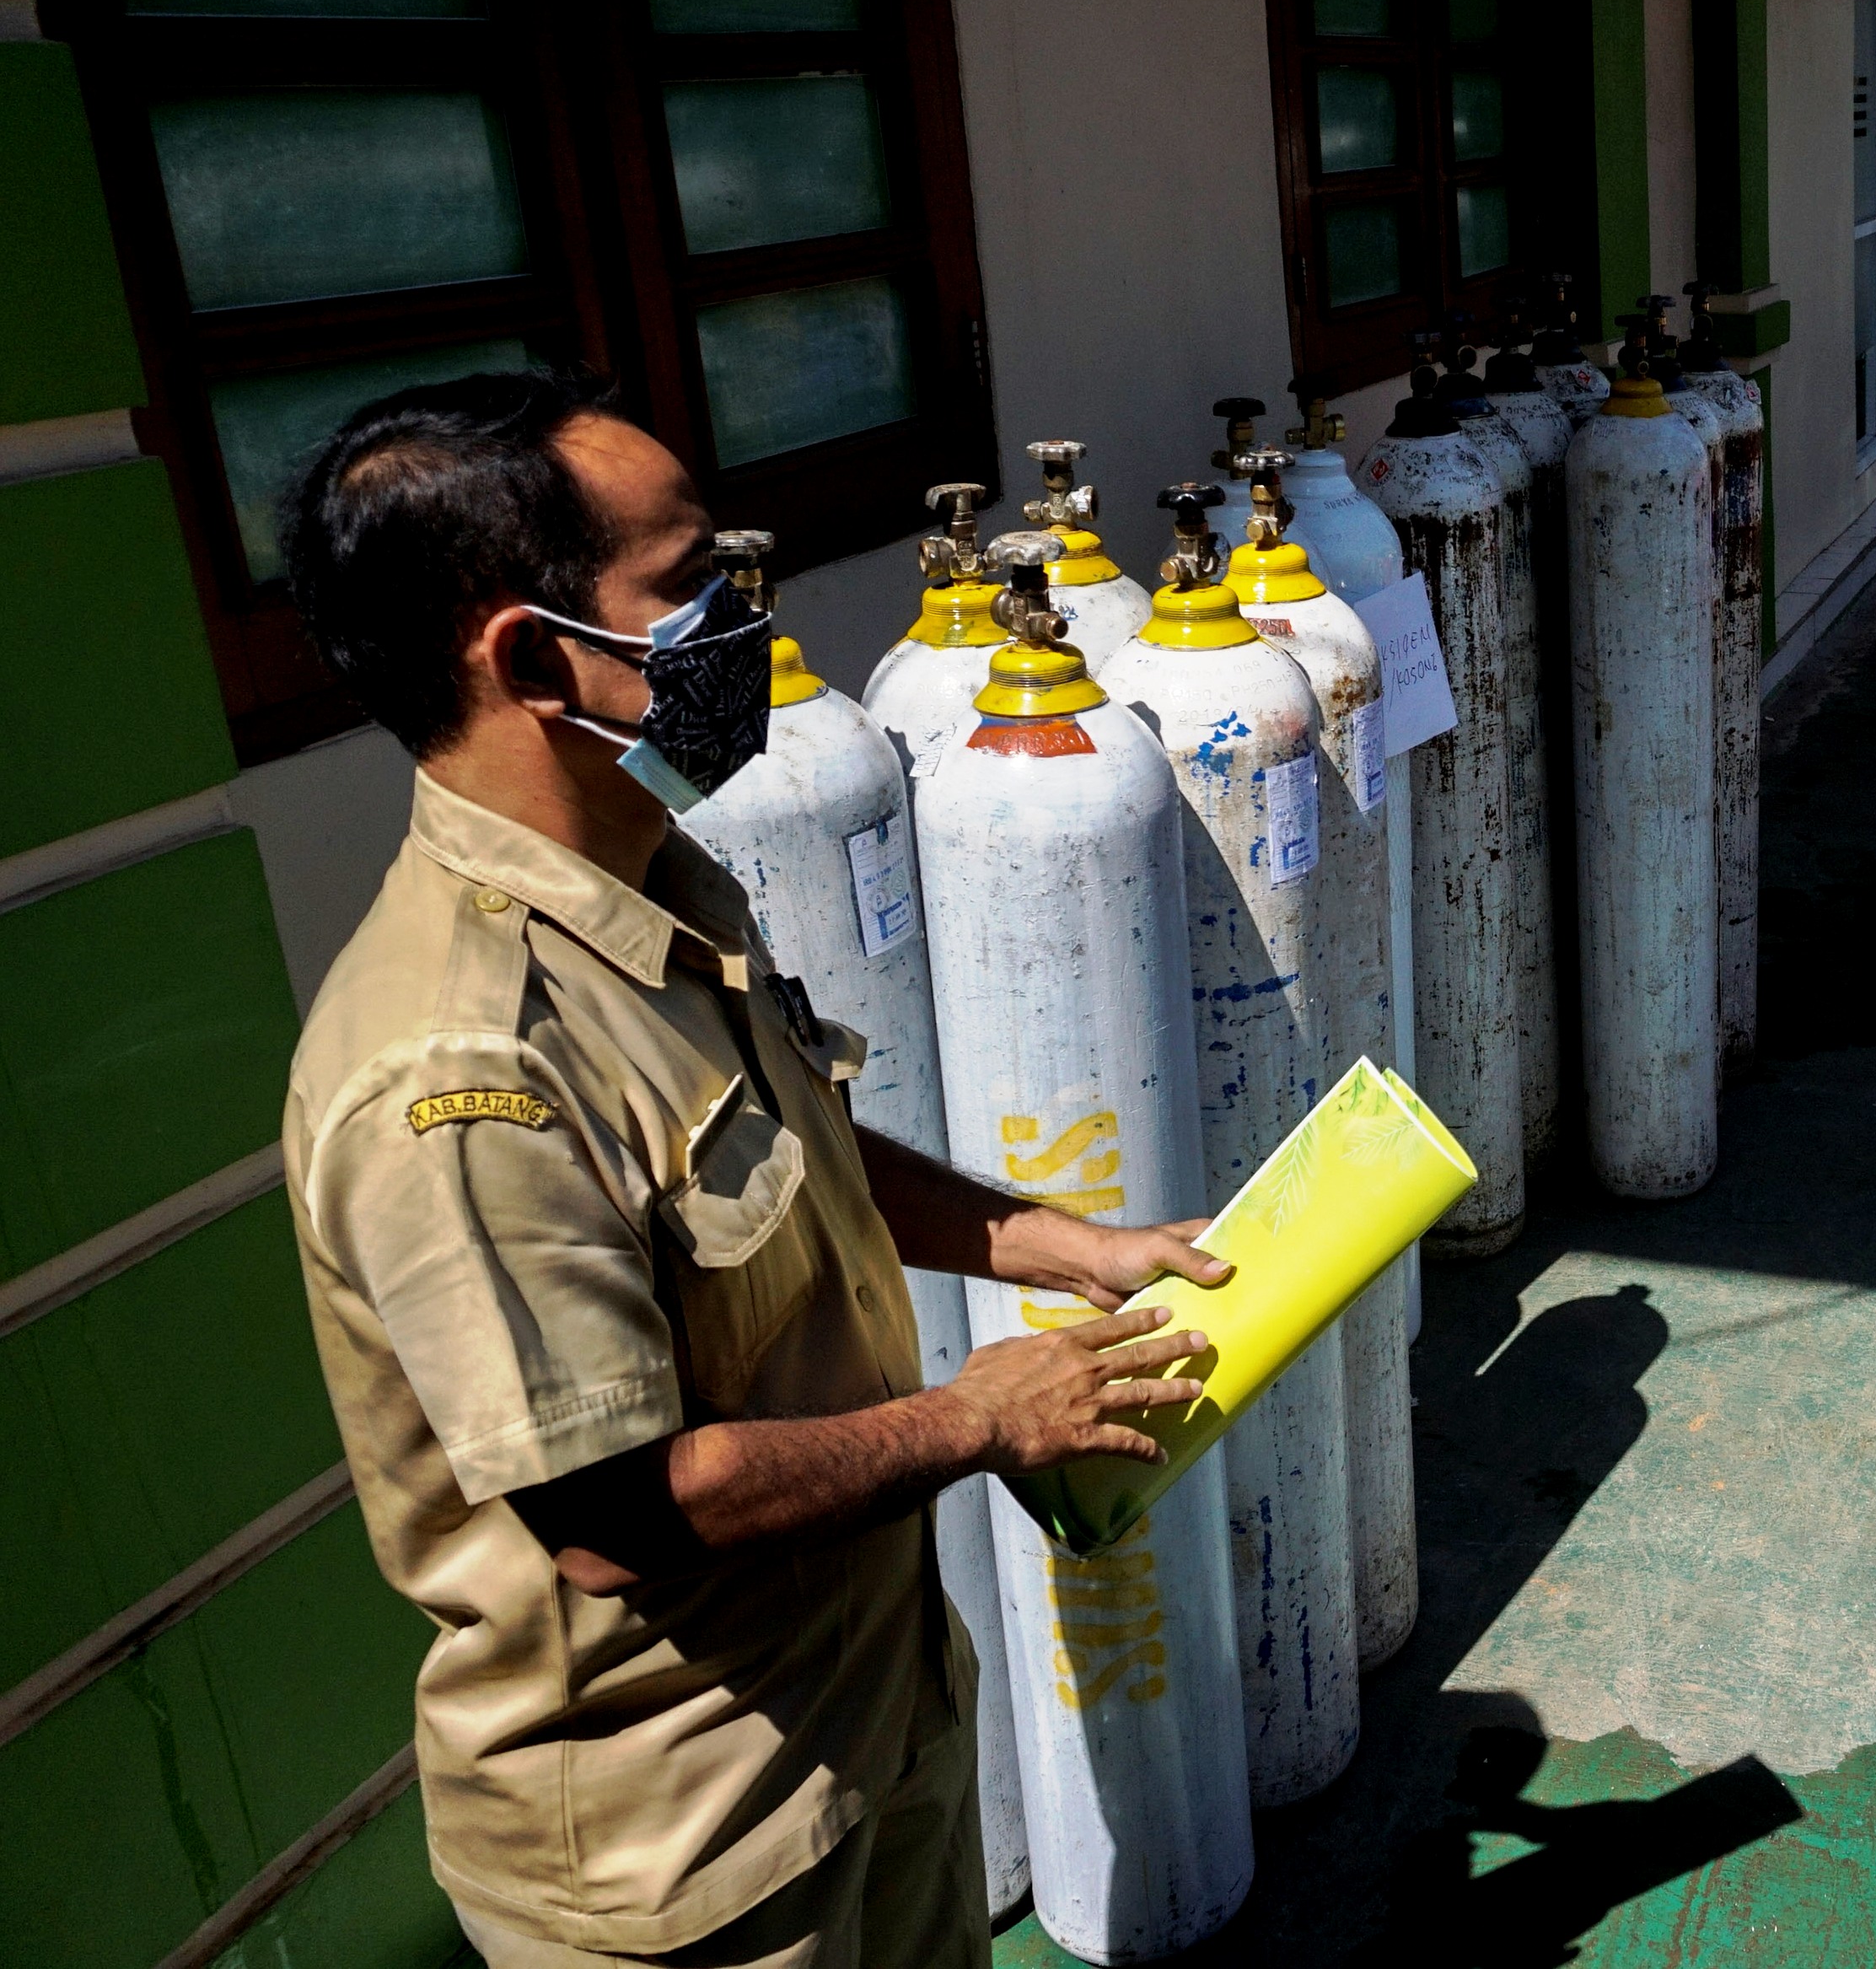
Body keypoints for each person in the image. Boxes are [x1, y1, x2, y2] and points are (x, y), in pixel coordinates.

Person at [278, 369, 1234, 1966]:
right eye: (686, 585)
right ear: (528, 655)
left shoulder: (654, 871)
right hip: (693, 1857)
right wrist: (983, 1416)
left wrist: (1057, 1244)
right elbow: (612, 1511)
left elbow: (786, 1149)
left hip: (873, 1721)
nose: (738, 613)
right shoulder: (456, 1074)